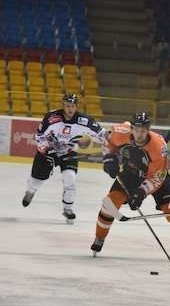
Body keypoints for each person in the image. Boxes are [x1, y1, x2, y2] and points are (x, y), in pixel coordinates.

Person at [92, 112, 170, 262]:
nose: (140, 134)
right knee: (109, 204)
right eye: (137, 130)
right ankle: (99, 238)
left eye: (143, 130)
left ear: (148, 129)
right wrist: (109, 158)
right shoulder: (121, 131)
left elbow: (157, 177)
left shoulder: (158, 146)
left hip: (157, 177)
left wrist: (140, 192)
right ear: (131, 128)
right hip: (131, 173)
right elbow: (109, 143)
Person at [22, 93, 107, 224]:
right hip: (48, 151)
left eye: (72, 106)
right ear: (63, 106)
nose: (70, 109)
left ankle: (67, 209)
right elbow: (39, 135)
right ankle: (30, 191)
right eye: (67, 106)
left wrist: (113, 139)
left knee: (70, 179)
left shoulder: (85, 121)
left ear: (76, 106)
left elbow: (102, 134)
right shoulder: (51, 118)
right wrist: (45, 150)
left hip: (68, 152)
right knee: (38, 177)